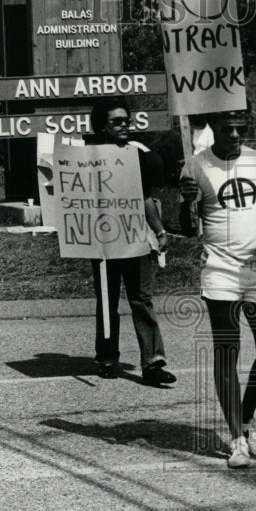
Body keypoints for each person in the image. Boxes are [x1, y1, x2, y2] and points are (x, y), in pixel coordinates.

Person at [178, 107, 256, 469]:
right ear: (212, 127)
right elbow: (185, 228)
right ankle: (235, 440)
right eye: (227, 128)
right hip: (220, 270)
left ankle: (245, 419)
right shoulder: (196, 166)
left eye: (240, 128)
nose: (234, 134)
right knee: (227, 352)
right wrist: (186, 201)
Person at [88, 97, 176, 386]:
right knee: (107, 299)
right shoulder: (87, 157)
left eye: (127, 120)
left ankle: (153, 363)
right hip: (103, 241)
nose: (124, 125)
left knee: (142, 300)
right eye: (117, 121)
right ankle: (107, 357)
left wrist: (160, 231)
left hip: (135, 238)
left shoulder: (138, 155)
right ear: (103, 126)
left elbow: (146, 198)